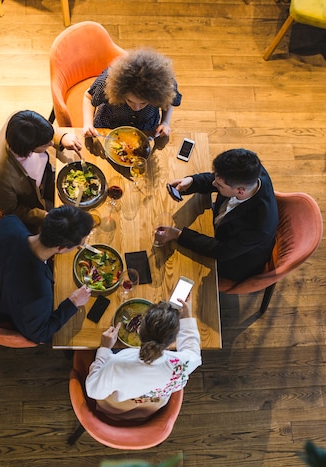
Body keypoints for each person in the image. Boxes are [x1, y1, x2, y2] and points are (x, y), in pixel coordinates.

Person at [155, 148, 279, 283]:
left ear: (240, 191)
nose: (213, 183)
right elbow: (218, 179)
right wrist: (191, 181)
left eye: (219, 185)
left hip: (235, 261)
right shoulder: (251, 172)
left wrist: (178, 235)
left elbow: (222, 251)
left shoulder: (260, 226)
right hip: (224, 227)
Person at [0, 205, 93, 344]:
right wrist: (73, 303)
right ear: (61, 248)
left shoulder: (10, 223)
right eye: (78, 246)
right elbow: (40, 334)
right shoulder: (39, 294)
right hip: (7, 306)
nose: (78, 248)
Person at [85, 297, 201, 421]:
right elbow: (193, 351)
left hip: (116, 409)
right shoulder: (181, 365)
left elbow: (93, 391)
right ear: (173, 341)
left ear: (139, 330)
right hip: (149, 411)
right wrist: (187, 318)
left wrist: (104, 349)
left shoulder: (117, 364)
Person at [0, 110, 83, 233]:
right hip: (32, 201)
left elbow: (42, 129)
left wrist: (62, 137)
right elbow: (11, 211)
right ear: (29, 148)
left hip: (45, 178)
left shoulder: (19, 122)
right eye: (45, 145)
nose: (51, 144)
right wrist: (43, 216)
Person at [82, 48, 182, 138]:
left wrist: (165, 122)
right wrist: (88, 124)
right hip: (108, 126)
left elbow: (169, 101)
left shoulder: (166, 84)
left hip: (146, 129)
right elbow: (88, 96)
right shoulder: (107, 82)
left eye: (143, 103)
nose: (136, 108)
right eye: (130, 101)